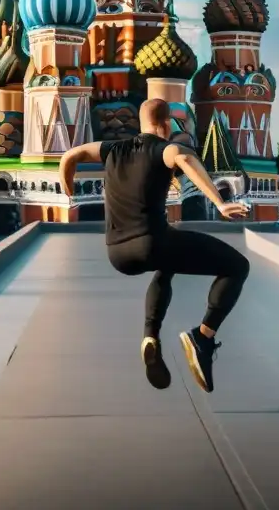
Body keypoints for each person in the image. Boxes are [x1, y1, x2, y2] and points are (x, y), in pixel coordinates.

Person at [59, 99, 251, 393]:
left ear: (141, 122)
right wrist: (220, 203)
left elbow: (71, 155)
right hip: (151, 242)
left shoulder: (113, 149)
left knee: (167, 266)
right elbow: (185, 160)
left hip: (117, 253)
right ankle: (203, 337)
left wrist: (68, 188)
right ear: (166, 124)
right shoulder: (165, 149)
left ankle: (151, 336)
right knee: (238, 266)